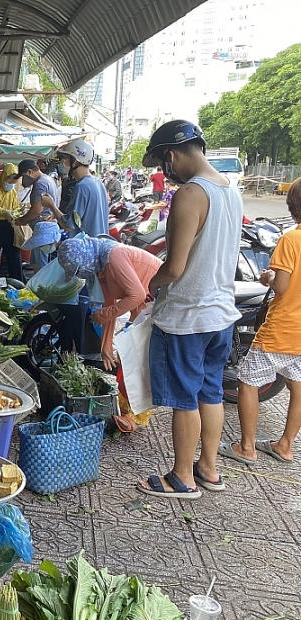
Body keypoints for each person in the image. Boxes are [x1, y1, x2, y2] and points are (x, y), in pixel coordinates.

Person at [136, 120, 242, 500]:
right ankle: (209, 470)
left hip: (188, 316)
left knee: (184, 398)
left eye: (164, 164)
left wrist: (151, 284)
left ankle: (182, 477)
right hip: (221, 315)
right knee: (209, 393)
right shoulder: (230, 189)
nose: (167, 173)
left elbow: (175, 267)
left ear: (171, 155)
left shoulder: (190, 194)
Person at [220, 178, 301, 465]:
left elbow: (280, 286)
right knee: (298, 387)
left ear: (293, 207)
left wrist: (267, 277)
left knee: (247, 383)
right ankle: (285, 446)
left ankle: (247, 447)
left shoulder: (291, 239)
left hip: (282, 328)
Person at [56, 237, 163, 370]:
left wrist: (103, 315)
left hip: (160, 299)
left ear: (85, 260)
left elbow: (137, 295)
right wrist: (105, 347)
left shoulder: (114, 257)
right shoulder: (100, 269)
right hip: (143, 309)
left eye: (78, 270)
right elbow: (108, 305)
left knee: (150, 357)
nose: (79, 274)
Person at [40, 140, 109, 238]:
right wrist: (56, 214)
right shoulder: (97, 183)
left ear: (75, 161)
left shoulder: (82, 187)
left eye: (65, 158)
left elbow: (68, 226)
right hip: (99, 245)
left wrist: (51, 205)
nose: (62, 163)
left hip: (85, 248)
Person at [14, 159, 58, 239]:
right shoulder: (48, 179)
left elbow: (37, 210)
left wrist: (23, 219)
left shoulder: (40, 183)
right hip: (48, 228)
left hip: (43, 231)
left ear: (29, 172)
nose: (23, 179)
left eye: (23, 176)